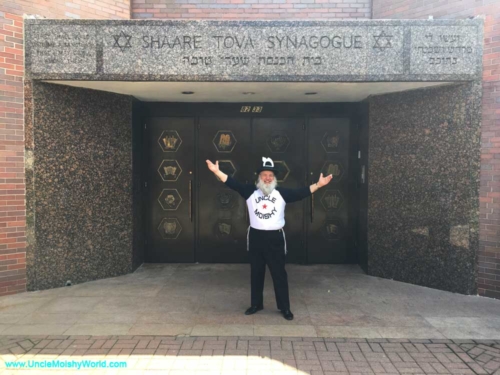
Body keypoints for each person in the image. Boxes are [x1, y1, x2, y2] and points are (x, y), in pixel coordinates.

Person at [206, 156, 333, 320]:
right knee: (256, 272)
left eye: (270, 175)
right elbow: (232, 183)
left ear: (274, 178)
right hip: (256, 237)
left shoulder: (282, 193)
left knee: (279, 273)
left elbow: (300, 193)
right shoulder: (250, 191)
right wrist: (217, 171)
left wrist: (319, 185)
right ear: (259, 177)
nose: (267, 178)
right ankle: (256, 304)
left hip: (275, 239)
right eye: (264, 175)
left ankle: (284, 307)